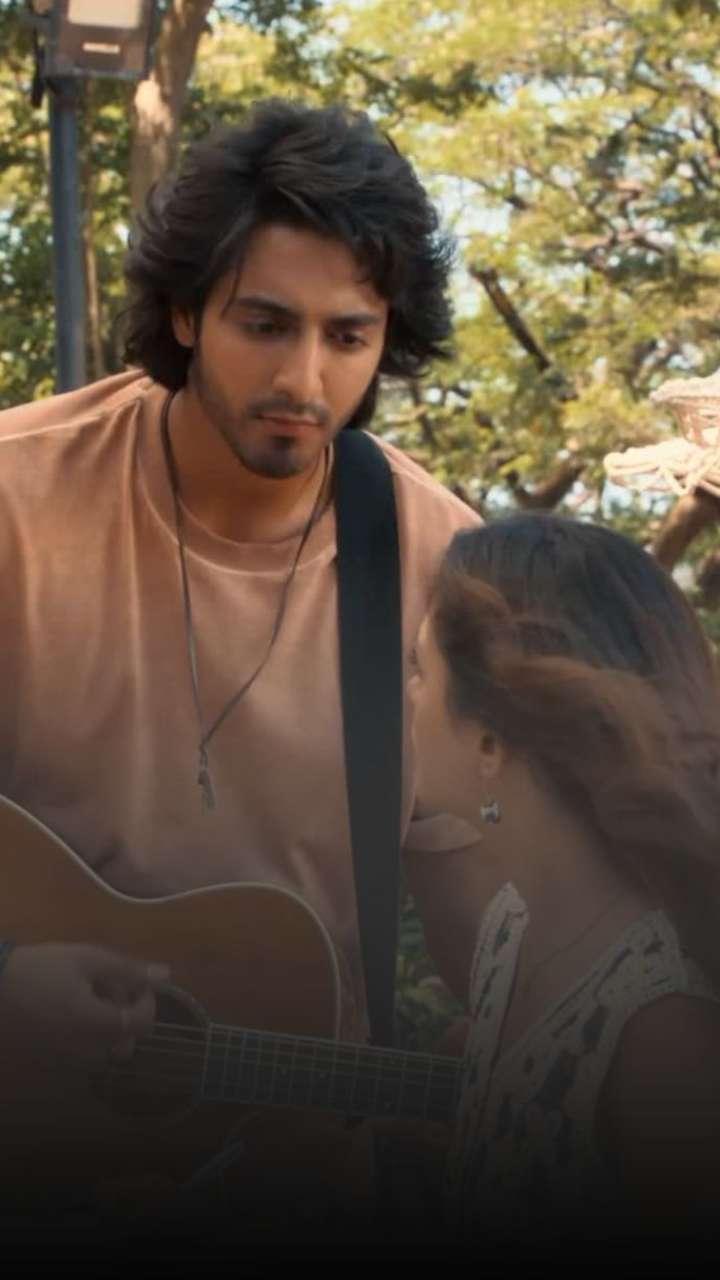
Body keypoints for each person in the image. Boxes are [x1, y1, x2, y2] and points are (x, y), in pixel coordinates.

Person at [0, 98, 490, 1245]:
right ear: (185, 310)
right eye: (265, 324)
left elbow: (486, 918)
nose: (304, 380)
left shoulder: (438, 562)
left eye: (348, 336)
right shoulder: (16, 502)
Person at [408, 513, 720, 1256]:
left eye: (419, 669)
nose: (406, 694)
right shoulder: (510, 926)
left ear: (490, 741)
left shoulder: (665, 1040)